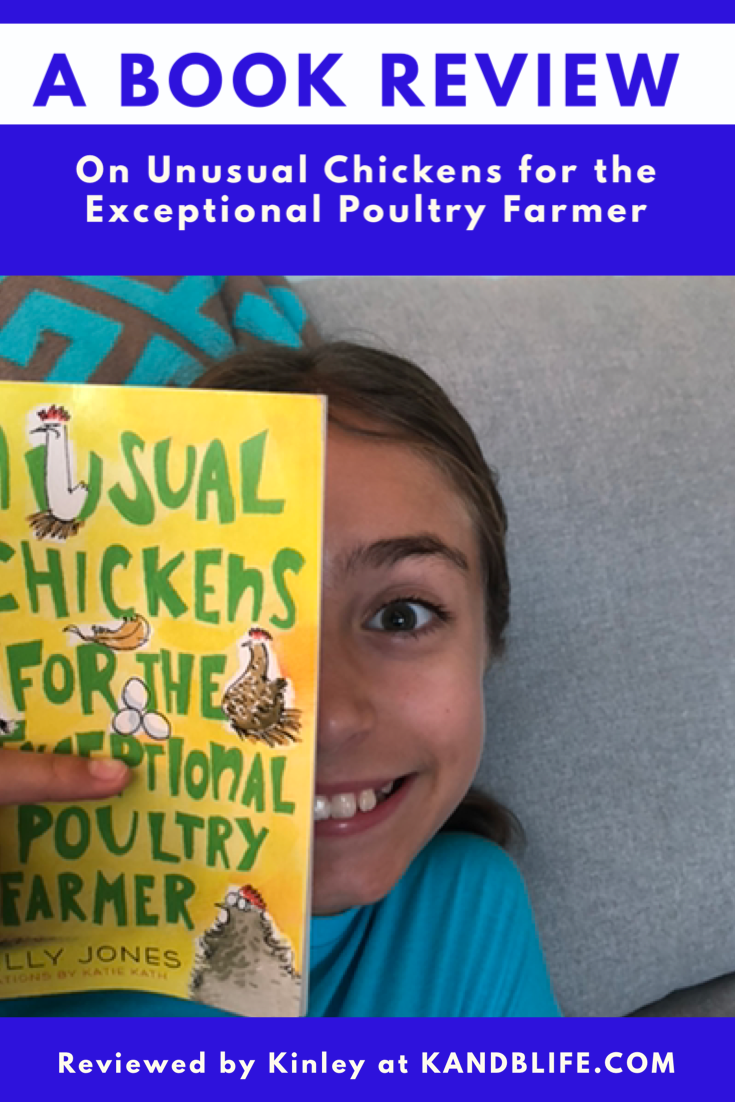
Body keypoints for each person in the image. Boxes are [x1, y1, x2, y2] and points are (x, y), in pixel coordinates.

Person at [0, 341, 560, 1017]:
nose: (324, 720)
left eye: (400, 615)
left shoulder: (465, 909)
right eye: (233, 618)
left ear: (488, 644)